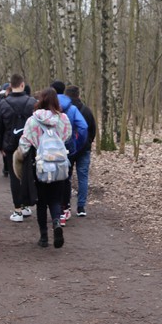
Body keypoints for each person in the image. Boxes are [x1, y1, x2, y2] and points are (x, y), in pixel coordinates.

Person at [17, 87, 71, 248]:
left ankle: (44, 237)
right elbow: (68, 136)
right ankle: (56, 222)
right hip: (59, 165)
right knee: (55, 199)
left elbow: (25, 143)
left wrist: (21, 156)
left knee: (41, 202)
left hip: (39, 165)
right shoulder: (63, 119)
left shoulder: (32, 120)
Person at [50, 80, 89, 226]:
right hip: (67, 148)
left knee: (50, 177)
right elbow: (83, 127)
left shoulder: (46, 108)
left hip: (49, 149)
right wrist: (76, 143)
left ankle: (52, 209)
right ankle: (64, 209)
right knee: (65, 178)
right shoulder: (72, 109)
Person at [0, 74, 36, 222]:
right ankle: (26, 205)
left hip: (10, 143)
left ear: (10, 85)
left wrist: (0, 146)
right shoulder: (32, 102)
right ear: (22, 84)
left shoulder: (3, 103)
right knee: (27, 174)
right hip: (29, 143)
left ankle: (18, 210)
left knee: (14, 176)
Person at [65, 84, 96, 217]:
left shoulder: (64, 111)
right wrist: (88, 142)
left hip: (68, 149)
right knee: (83, 177)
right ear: (78, 95)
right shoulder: (87, 111)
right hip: (84, 149)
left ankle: (66, 205)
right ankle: (81, 207)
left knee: (66, 177)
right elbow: (92, 130)